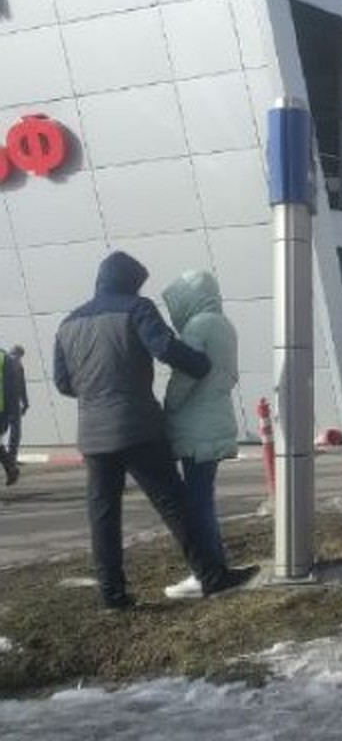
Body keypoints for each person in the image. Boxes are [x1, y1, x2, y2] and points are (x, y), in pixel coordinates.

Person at [53, 251, 258, 609]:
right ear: (130, 282)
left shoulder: (68, 323)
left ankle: (112, 595)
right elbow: (164, 347)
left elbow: (63, 383)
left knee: (103, 514)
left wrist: (96, 394)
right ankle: (213, 576)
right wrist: (198, 363)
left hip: (93, 434)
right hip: (138, 428)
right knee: (174, 504)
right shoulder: (136, 308)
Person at [160, 269, 241, 600]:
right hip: (215, 421)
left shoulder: (199, 326)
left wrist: (168, 410)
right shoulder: (224, 324)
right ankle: (215, 566)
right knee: (202, 500)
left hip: (196, 427)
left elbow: (185, 377)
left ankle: (205, 572)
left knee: (197, 505)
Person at [0, 346, 20, 486]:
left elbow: (13, 387)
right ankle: (11, 468)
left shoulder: (5, 359)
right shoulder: (5, 358)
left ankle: (11, 468)